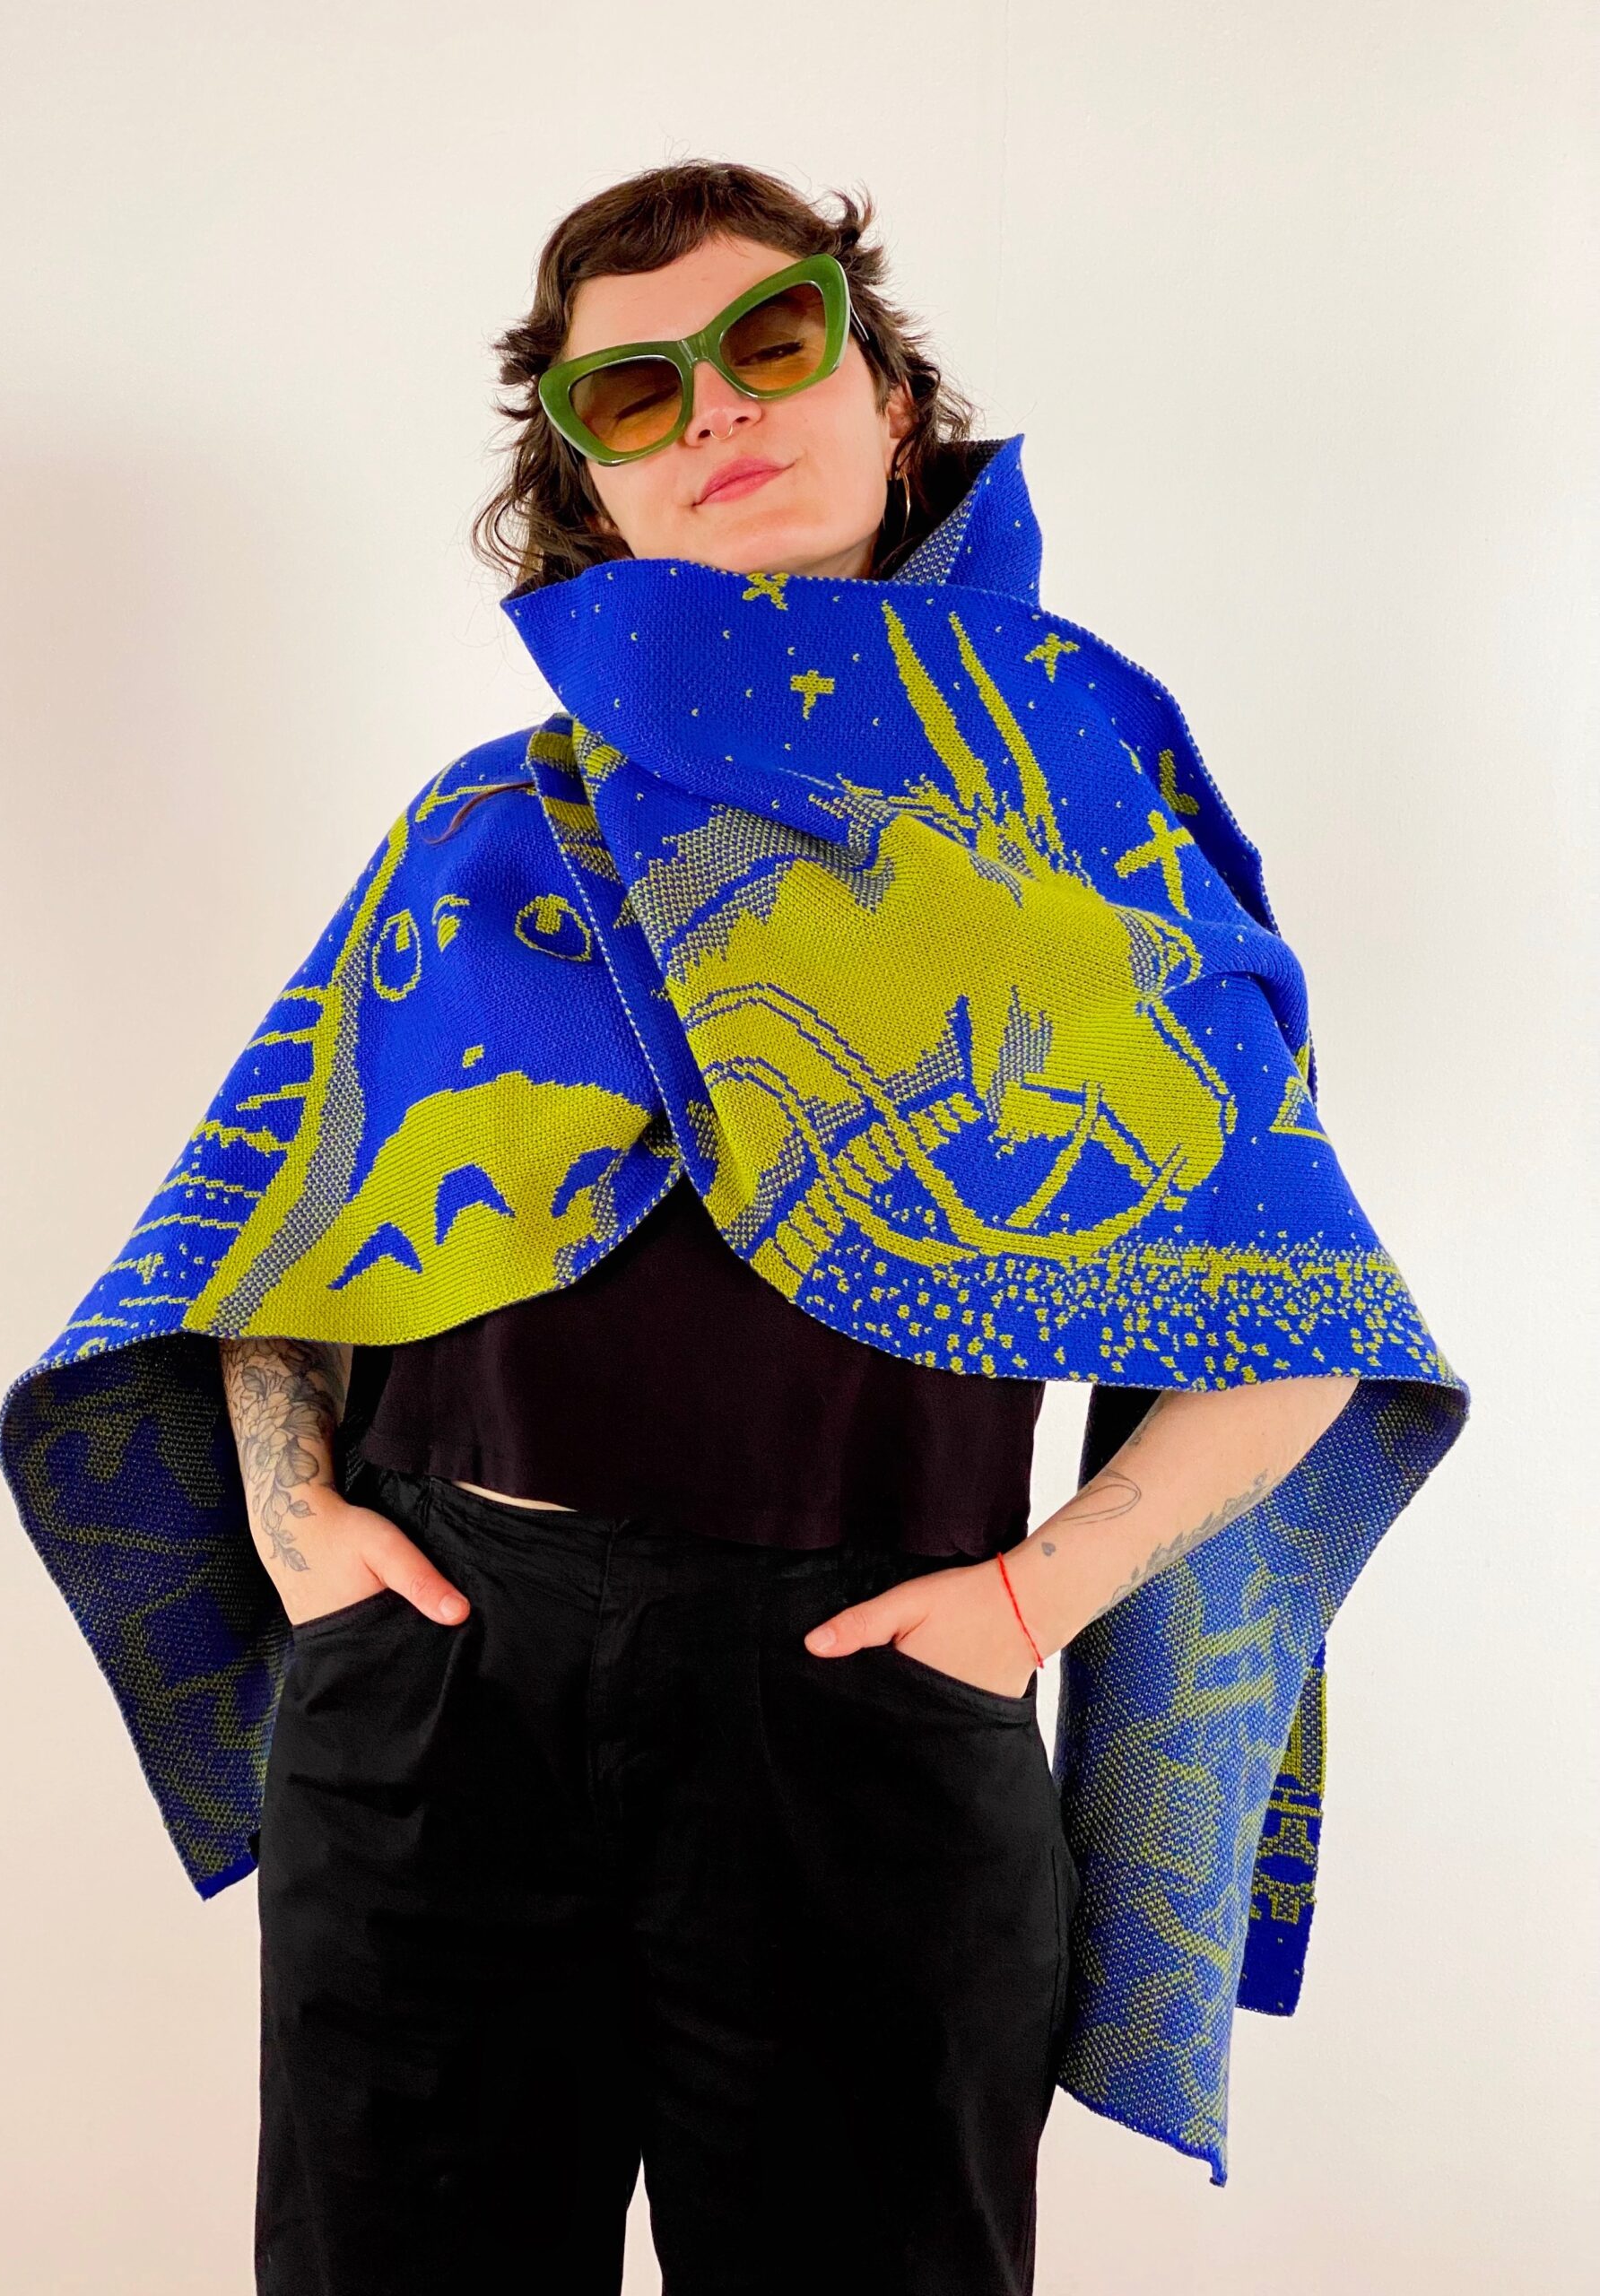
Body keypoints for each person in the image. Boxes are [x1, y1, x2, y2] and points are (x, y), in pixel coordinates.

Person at [220, 164, 1357, 2295]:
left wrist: (1028, 1601)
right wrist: (302, 1524)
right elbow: (274, 1237)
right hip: (442, 1686)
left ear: (888, 396)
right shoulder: (487, 825)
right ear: (590, 481)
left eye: (770, 341)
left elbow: (1301, 1310)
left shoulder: (1081, 824)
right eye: (633, 393)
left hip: (861, 1696)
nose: (718, 411)